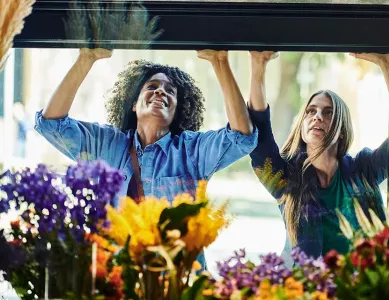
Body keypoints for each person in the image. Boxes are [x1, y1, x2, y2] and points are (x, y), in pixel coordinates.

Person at [35, 48, 258, 270]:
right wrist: (86, 59)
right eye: (152, 87)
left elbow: (242, 138)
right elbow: (51, 124)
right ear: (134, 104)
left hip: (178, 285)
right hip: (119, 282)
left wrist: (220, 62)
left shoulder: (192, 150)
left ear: (177, 110)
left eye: (170, 91)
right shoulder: (107, 145)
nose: (161, 92)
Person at [246, 51, 389, 260]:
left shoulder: (363, 170)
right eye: (311, 111)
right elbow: (259, 137)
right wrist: (258, 65)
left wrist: (388, 65)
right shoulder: (287, 178)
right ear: (302, 125)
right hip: (312, 288)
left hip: (366, 286)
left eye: (328, 112)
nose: (317, 116)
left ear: (342, 129)